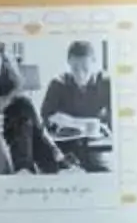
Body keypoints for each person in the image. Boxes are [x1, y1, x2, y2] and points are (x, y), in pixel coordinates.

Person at [41, 40, 113, 170]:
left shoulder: (106, 83)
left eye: (85, 68)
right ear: (68, 63)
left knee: (104, 170)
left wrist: (106, 128)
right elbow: (46, 115)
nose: (80, 75)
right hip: (65, 144)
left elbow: (115, 117)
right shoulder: (58, 83)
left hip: (95, 144)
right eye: (75, 68)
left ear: (94, 62)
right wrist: (83, 123)